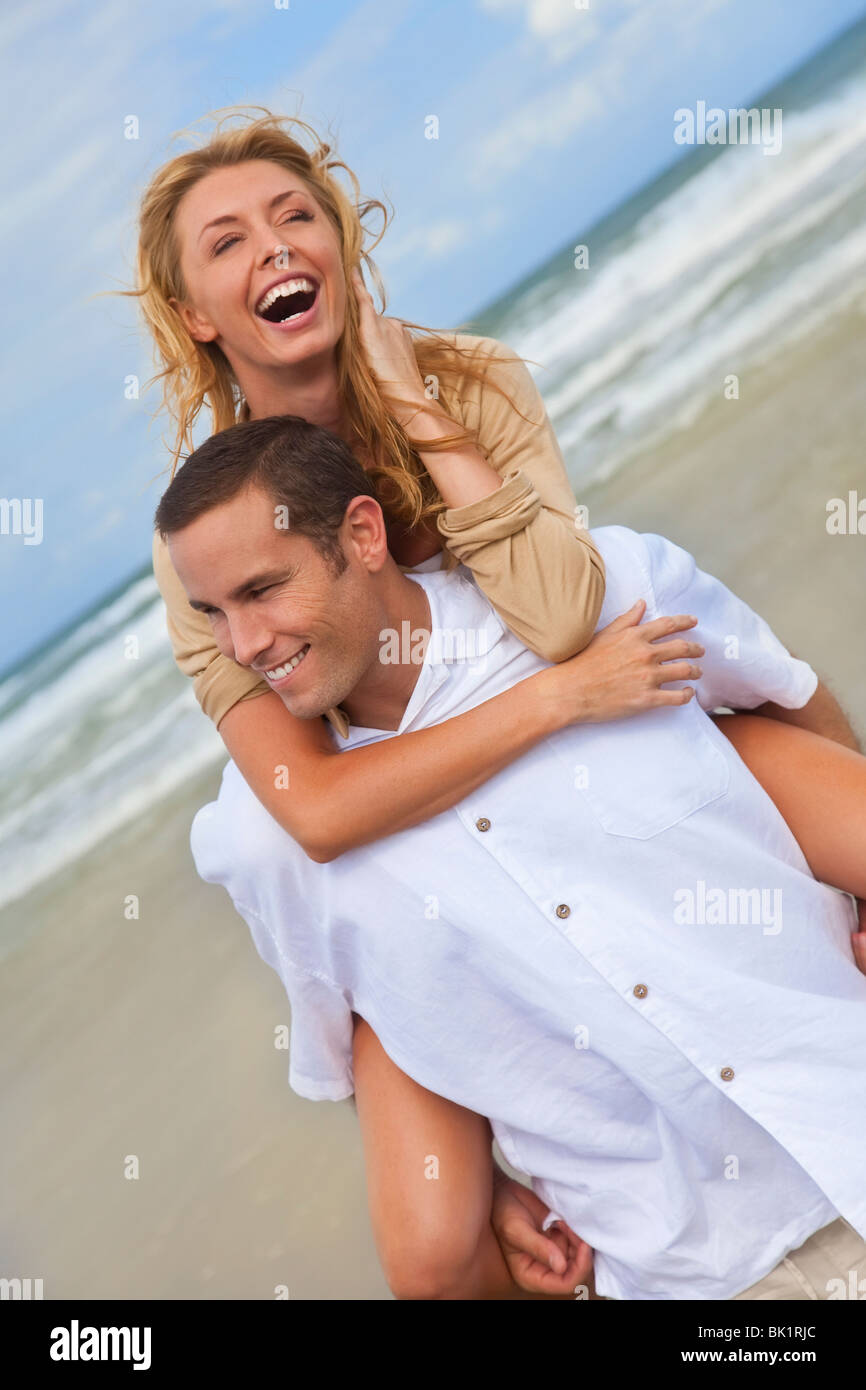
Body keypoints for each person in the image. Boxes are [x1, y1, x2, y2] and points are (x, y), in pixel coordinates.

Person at [129, 107, 864, 1292]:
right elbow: (307, 802)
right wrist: (561, 703)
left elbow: (559, 615)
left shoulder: (468, 379)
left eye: (295, 215)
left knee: (695, 682)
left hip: (569, 743)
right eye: (227, 240)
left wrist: (406, 393)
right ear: (195, 316)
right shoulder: (212, 546)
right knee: (431, 1249)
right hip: (408, 831)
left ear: (338, 245)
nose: (274, 244)